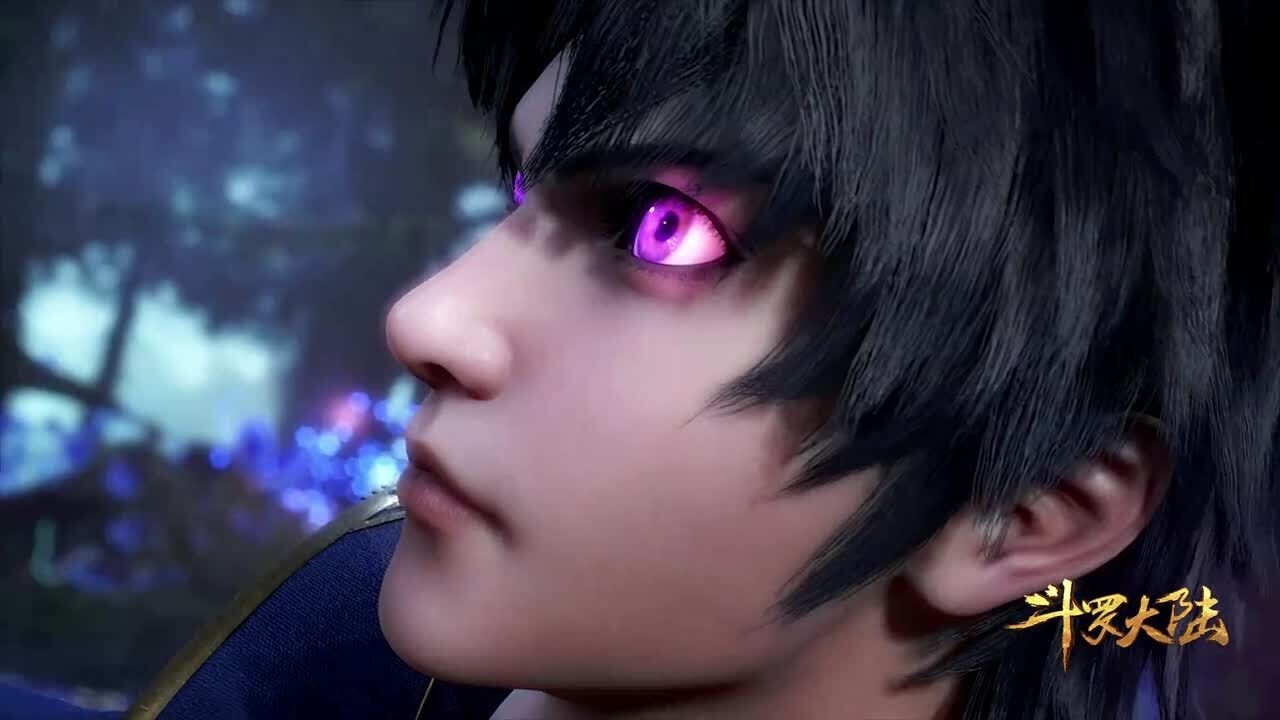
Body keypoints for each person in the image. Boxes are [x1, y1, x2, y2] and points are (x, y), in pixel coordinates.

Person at [376, 1, 1280, 719]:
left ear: (1027, 508)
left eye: (666, 229)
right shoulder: (325, 635)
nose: (429, 318)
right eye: (522, 191)